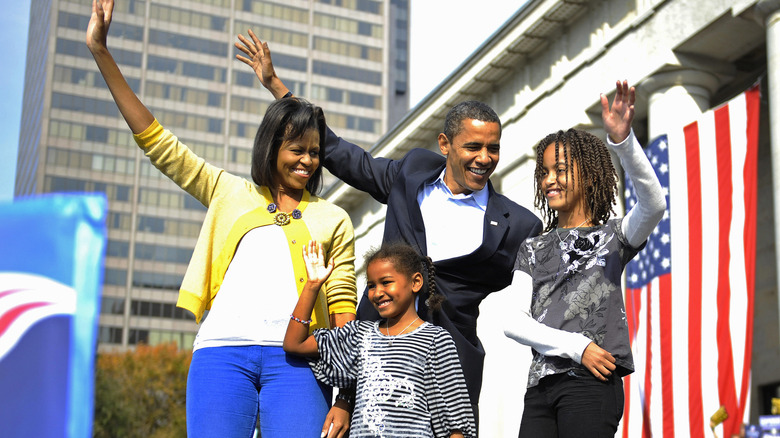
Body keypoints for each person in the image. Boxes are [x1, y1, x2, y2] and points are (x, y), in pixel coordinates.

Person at [234, 31, 544, 424]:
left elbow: (553, 280)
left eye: (493, 148)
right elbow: (344, 155)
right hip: (375, 360)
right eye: (473, 147)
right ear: (445, 144)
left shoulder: (518, 225)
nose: (485, 158)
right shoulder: (411, 174)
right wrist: (277, 87)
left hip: (451, 368)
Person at [86, 2, 357, 437]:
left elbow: (344, 313)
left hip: (300, 364)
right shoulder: (228, 192)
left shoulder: (334, 219)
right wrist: (101, 51)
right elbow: (158, 143)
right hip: (222, 355)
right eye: (296, 149)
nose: (307, 160)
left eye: (314, 152)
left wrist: (345, 399)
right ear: (272, 147)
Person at [503, 81, 667, 437]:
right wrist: (578, 346)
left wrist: (624, 143)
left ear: (589, 176)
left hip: (593, 384)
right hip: (540, 389)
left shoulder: (614, 237)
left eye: (560, 170)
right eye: (544, 172)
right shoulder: (532, 249)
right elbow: (513, 323)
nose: (550, 180)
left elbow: (654, 205)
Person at [284, 241, 476, 438]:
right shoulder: (359, 334)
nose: (376, 293)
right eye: (371, 285)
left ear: (415, 282)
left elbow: (454, 417)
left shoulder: (435, 339)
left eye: (386, 282)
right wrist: (313, 285)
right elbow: (294, 344)